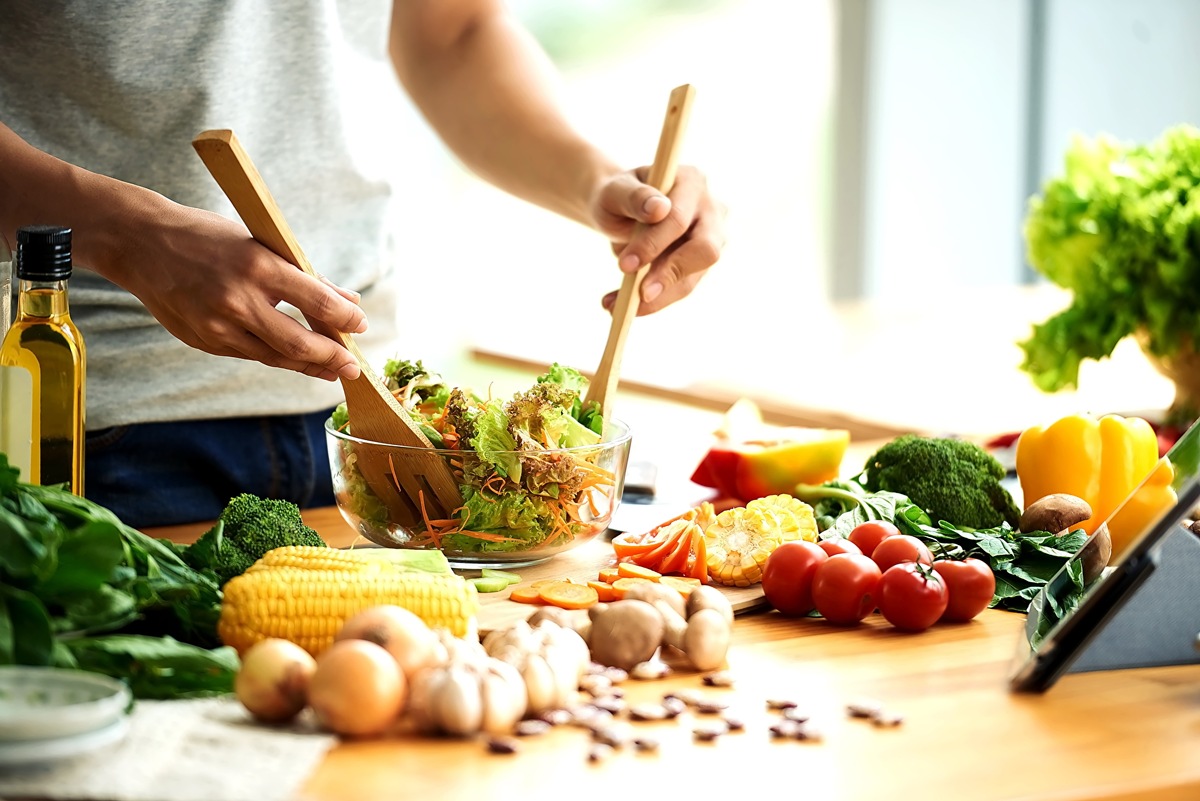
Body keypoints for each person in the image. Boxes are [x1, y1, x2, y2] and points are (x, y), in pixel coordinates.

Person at [0, 0, 726, 528]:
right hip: (90, 417)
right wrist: (121, 234)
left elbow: (453, 32)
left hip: (366, 427)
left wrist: (597, 183)